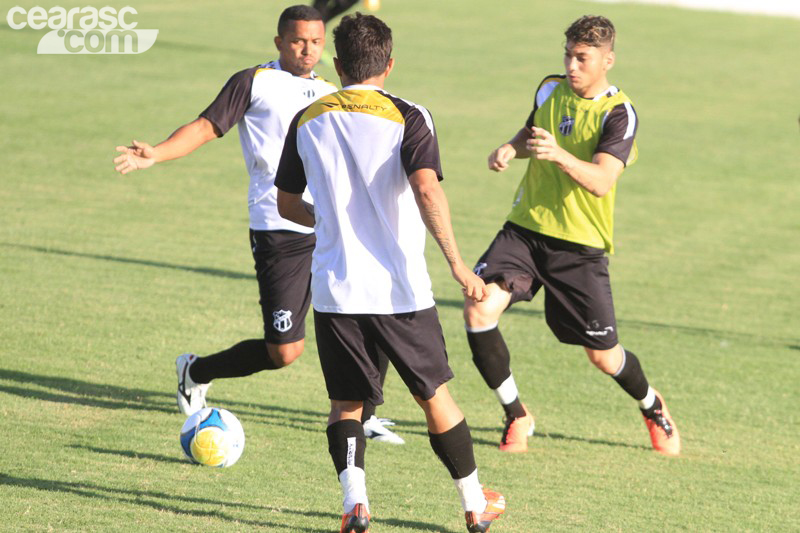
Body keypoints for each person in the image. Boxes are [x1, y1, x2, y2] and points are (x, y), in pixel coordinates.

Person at [112, 5, 403, 444]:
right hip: (278, 228)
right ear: (279, 43)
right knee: (284, 351)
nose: (308, 50)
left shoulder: (330, 90)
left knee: (366, 311)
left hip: (330, 225)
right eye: (298, 41)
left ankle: (363, 414)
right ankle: (196, 370)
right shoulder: (255, 82)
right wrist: (157, 152)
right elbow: (207, 127)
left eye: (317, 42)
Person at [275, 13, 506, 533]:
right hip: (400, 291)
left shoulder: (308, 117)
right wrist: (456, 263)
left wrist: (326, 219)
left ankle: (355, 504)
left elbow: (287, 203)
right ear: (389, 63)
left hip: (336, 290)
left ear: (337, 65)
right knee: (434, 396)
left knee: (346, 404)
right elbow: (426, 189)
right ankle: (474, 504)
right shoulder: (409, 115)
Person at [463, 15, 680, 456]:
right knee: (478, 308)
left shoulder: (619, 113)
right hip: (525, 229)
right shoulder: (550, 88)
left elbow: (602, 180)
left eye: (582, 58)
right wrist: (511, 147)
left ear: (607, 61)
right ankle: (516, 415)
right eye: (568, 55)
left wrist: (558, 156)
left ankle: (652, 404)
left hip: (579, 246)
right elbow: (532, 134)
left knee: (603, 355)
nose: (572, 65)